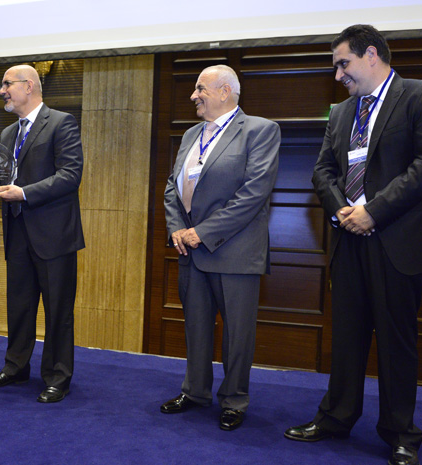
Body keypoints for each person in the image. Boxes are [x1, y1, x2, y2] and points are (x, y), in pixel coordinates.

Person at [283, 25, 422, 465]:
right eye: (335, 67)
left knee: (396, 341)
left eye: (343, 63)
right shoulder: (342, 112)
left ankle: (401, 434)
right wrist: (343, 210)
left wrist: (374, 212)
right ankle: (335, 417)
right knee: (346, 336)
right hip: (349, 238)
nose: (338, 75)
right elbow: (323, 170)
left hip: (397, 240)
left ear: (371, 55)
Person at [0, 65, 84, 403]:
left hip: (54, 237)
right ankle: (16, 367)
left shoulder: (61, 123)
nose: (2, 91)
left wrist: (23, 193)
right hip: (18, 233)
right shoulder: (9, 133)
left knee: (58, 311)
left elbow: (70, 175)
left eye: (7, 84)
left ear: (29, 86)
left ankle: (57, 378)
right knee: (19, 307)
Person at [160, 64, 280, 430]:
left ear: (225, 91)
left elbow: (254, 193)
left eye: (200, 89)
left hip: (235, 252)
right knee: (196, 328)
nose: (193, 95)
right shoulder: (191, 134)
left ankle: (234, 400)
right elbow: (172, 186)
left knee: (237, 335)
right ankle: (195, 391)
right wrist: (178, 229)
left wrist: (202, 232)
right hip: (191, 251)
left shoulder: (260, 130)